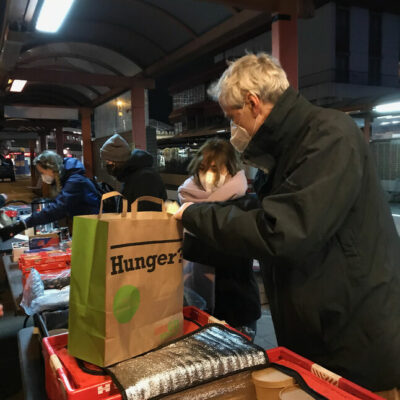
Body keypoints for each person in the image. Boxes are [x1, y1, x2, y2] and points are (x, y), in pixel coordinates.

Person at [174, 53, 400, 396]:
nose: (234, 129)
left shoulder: (328, 137)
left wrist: (194, 214)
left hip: (353, 337)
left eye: (233, 117)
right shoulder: (290, 149)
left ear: (253, 104)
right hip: (321, 330)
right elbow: (259, 215)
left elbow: (282, 231)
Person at [178, 138, 261, 338]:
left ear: (230, 169)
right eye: (203, 168)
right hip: (197, 305)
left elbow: (229, 255)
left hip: (236, 308)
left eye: (215, 169)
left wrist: (190, 230)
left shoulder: (245, 203)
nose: (207, 175)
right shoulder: (187, 199)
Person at [0, 151, 100, 241]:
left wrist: (24, 224)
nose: (42, 176)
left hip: (95, 226)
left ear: (52, 168)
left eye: (42, 172)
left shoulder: (75, 181)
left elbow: (59, 208)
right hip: (86, 224)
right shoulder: (67, 178)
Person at [100, 134, 167, 210]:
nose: (108, 165)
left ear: (118, 161)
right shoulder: (130, 175)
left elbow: (146, 213)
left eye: (109, 162)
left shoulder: (145, 178)